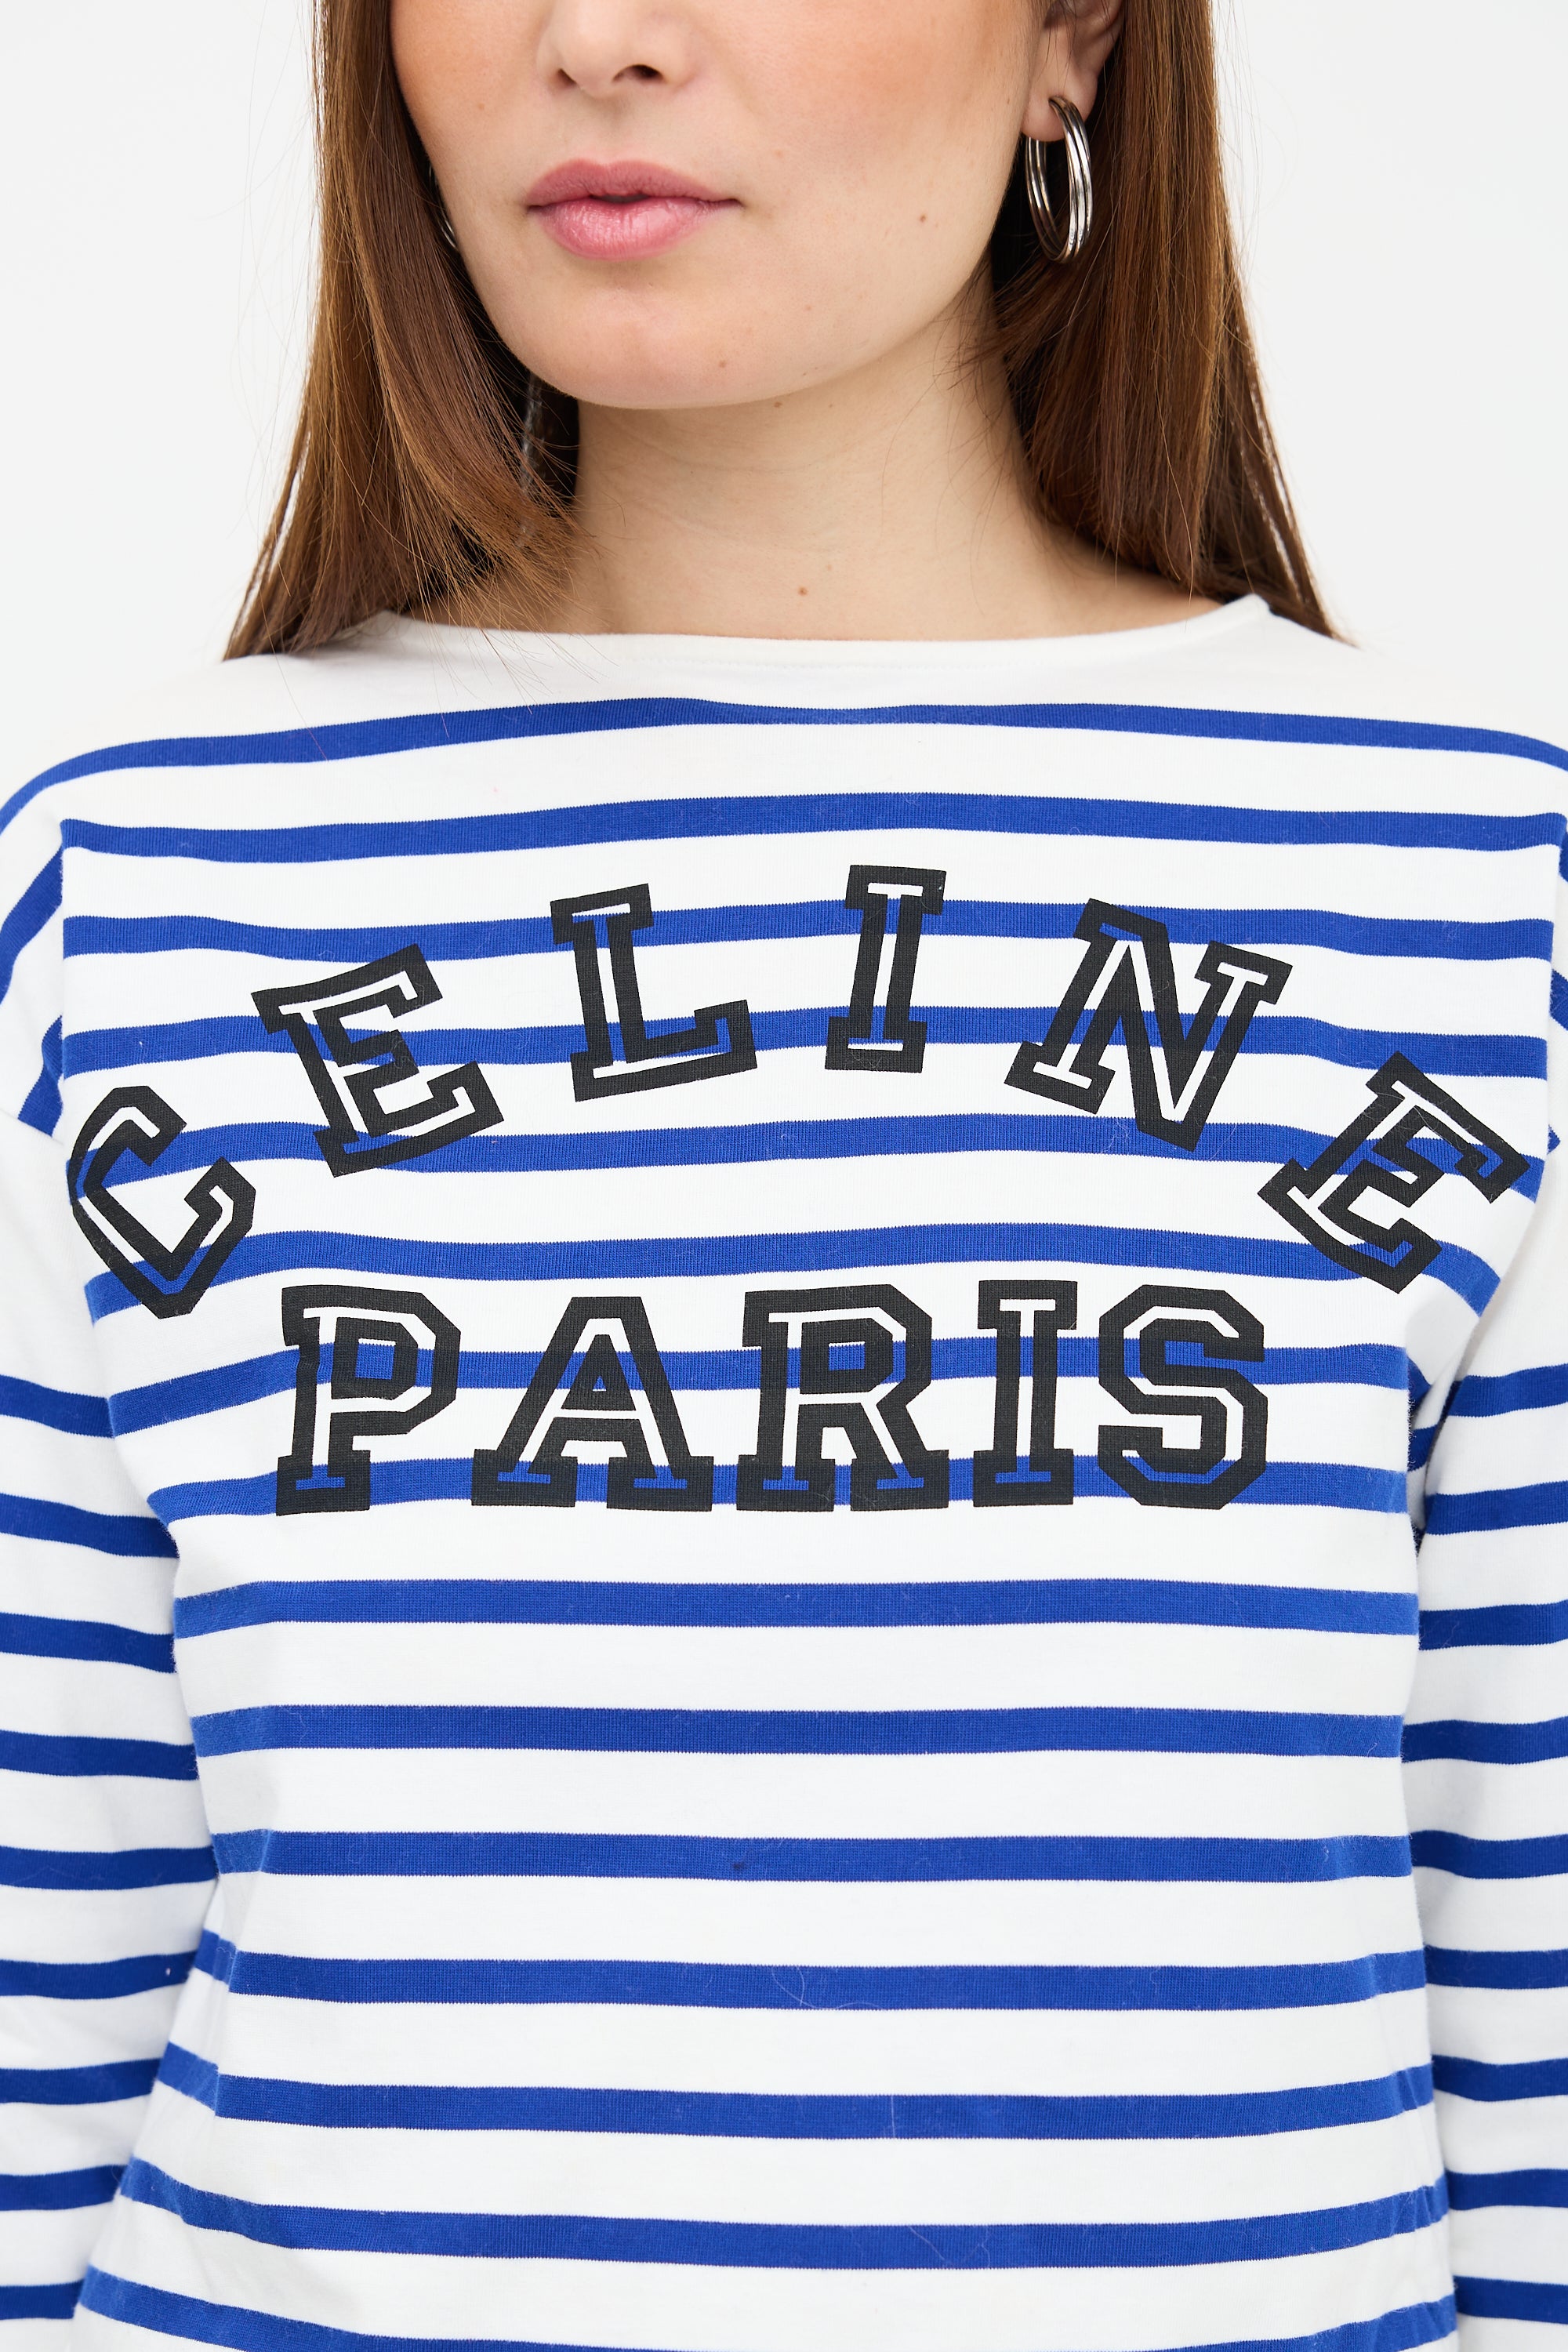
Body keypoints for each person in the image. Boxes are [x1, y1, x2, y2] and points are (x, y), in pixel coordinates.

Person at [2, 0, 1563, 2344]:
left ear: (1073, 33)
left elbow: (1530, 2017)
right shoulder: (134, 882)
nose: (601, 38)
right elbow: (51, 1973)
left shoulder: (1469, 886)